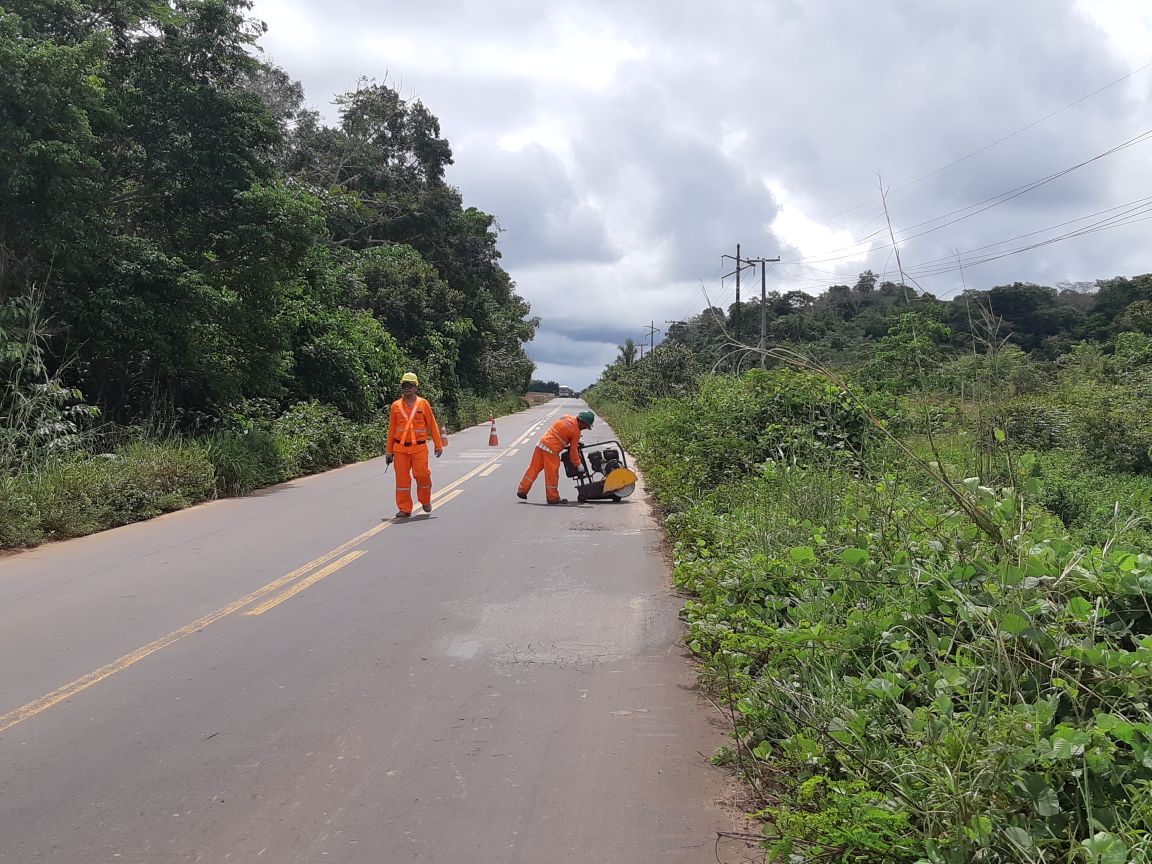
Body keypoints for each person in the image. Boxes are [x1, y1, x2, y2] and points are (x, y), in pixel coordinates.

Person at [386, 372, 444, 518]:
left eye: (410, 385)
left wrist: (438, 444)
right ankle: (404, 508)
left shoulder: (423, 404)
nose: (407, 388)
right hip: (400, 449)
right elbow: (391, 430)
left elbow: (432, 425)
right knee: (402, 480)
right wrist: (389, 451)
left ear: (416, 387)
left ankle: (425, 500)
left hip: (419, 448)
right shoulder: (396, 406)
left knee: (422, 475)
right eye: (405, 385)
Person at [517, 410, 594, 504]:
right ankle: (552, 497)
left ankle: (522, 490)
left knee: (533, 469)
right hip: (551, 450)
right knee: (552, 474)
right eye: (585, 426)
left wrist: (572, 439)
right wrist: (578, 464)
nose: (585, 428)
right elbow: (573, 451)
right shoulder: (576, 432)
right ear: (582, 422)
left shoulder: (566, 417)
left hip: (541, 443)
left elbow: (561, 431)